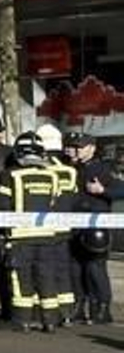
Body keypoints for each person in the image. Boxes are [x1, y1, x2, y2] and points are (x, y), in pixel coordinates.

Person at [0, 132, 66, 332]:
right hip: (47, 237)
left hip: (20, 237)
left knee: (21, 278)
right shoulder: (53, 175)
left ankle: (21, 320)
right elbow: (56, 204)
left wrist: (2, 231)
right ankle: (50, 321)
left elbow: (2, 206)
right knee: (46, 277)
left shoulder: (10, 175)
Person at [75, 133, 120, 325]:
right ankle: (78, 307)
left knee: (95, 268)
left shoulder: (103, 168)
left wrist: (104, 191)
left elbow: (121, 189)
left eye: (81, 147)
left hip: (97, 225)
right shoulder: (72, 168)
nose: (76, 150)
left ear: (92, 148)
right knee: (75, 267)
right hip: (75, 224)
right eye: (74, 146)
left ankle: (102, 308)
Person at [36, 123, 79, 325]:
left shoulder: (41, 170)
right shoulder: (70, 171)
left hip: (44, 229)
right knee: (62, 270)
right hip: (64, 228)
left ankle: (44, 312)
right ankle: (67, 312)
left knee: (44, 271)